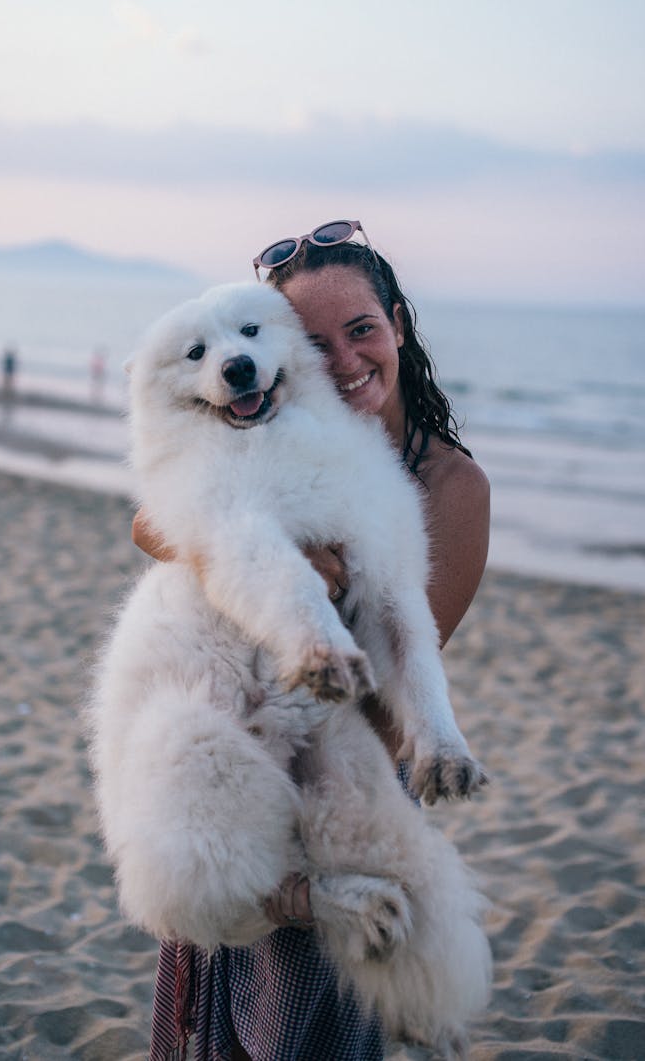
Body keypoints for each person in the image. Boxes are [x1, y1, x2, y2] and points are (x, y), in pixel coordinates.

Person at [133, 221, 490, 1061]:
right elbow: (156, 519)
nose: (341, 360)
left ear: (398, 323)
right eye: (315, 340)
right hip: (236, 744)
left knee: (300, 1028)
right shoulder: (272, 431)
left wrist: (309, 590)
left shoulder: (448, 482)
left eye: (361, 330)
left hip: (344, 760)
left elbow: (390, 679)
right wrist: (268, 564)